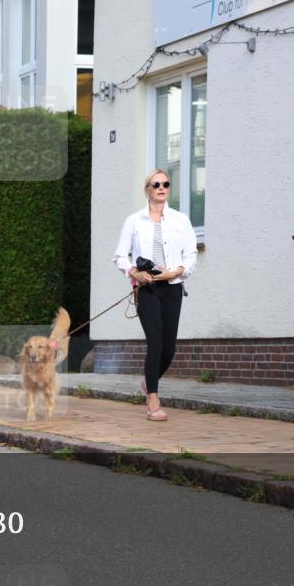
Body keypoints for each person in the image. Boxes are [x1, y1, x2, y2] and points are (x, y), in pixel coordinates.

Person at [113, 169, 197, 421]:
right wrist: (133, 273)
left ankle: (149, 382)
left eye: (165, 184)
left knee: (169, 348)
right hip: (146, 289)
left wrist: (178, 271)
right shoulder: (134, 221)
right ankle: (153, 401)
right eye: (155, 184)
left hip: (172, 286)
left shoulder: (181, 220)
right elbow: (120, 255)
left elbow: (191, 254)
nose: (161, 187)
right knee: (156, 342)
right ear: (147, 190)